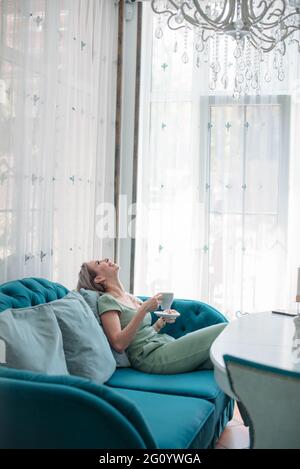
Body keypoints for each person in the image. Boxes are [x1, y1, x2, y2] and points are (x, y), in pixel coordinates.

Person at [77, 258, 226, 374]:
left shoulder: (129, 297)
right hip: (149, 357)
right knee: (224, 329)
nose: (105, 259)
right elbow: (118, 344)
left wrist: (161, 322)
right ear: (98, 279)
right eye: (99, 262)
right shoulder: (107, 300)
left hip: (161, 344)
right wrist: (143, 310)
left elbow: (142, 334)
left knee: (226, 362)